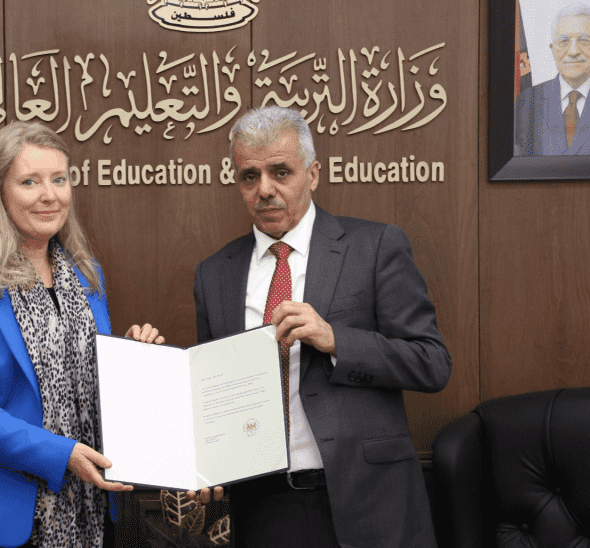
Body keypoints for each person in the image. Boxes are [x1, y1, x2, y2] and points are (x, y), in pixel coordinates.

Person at [190, 106, 451, 547]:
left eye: (280, 172)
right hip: (263, 506)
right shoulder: (214, 274)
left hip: (369, 500)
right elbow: (212, 393)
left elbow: (432, 363)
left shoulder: (374, 246)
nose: (264, 189)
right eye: (250, 176)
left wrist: (335, 341)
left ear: (312, 174)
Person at [0, 121, 163, 547]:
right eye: (29, 182)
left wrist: (132, 360)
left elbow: (85, 383)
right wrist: (60, 454)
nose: (49, 195)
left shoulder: (86, 277)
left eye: (59, 179)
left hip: (87, 508)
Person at [515, 3, 590, 155]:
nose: (573, 51)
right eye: (564, 41)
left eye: (584, 40)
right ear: (553, 49)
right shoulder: (528, 101)